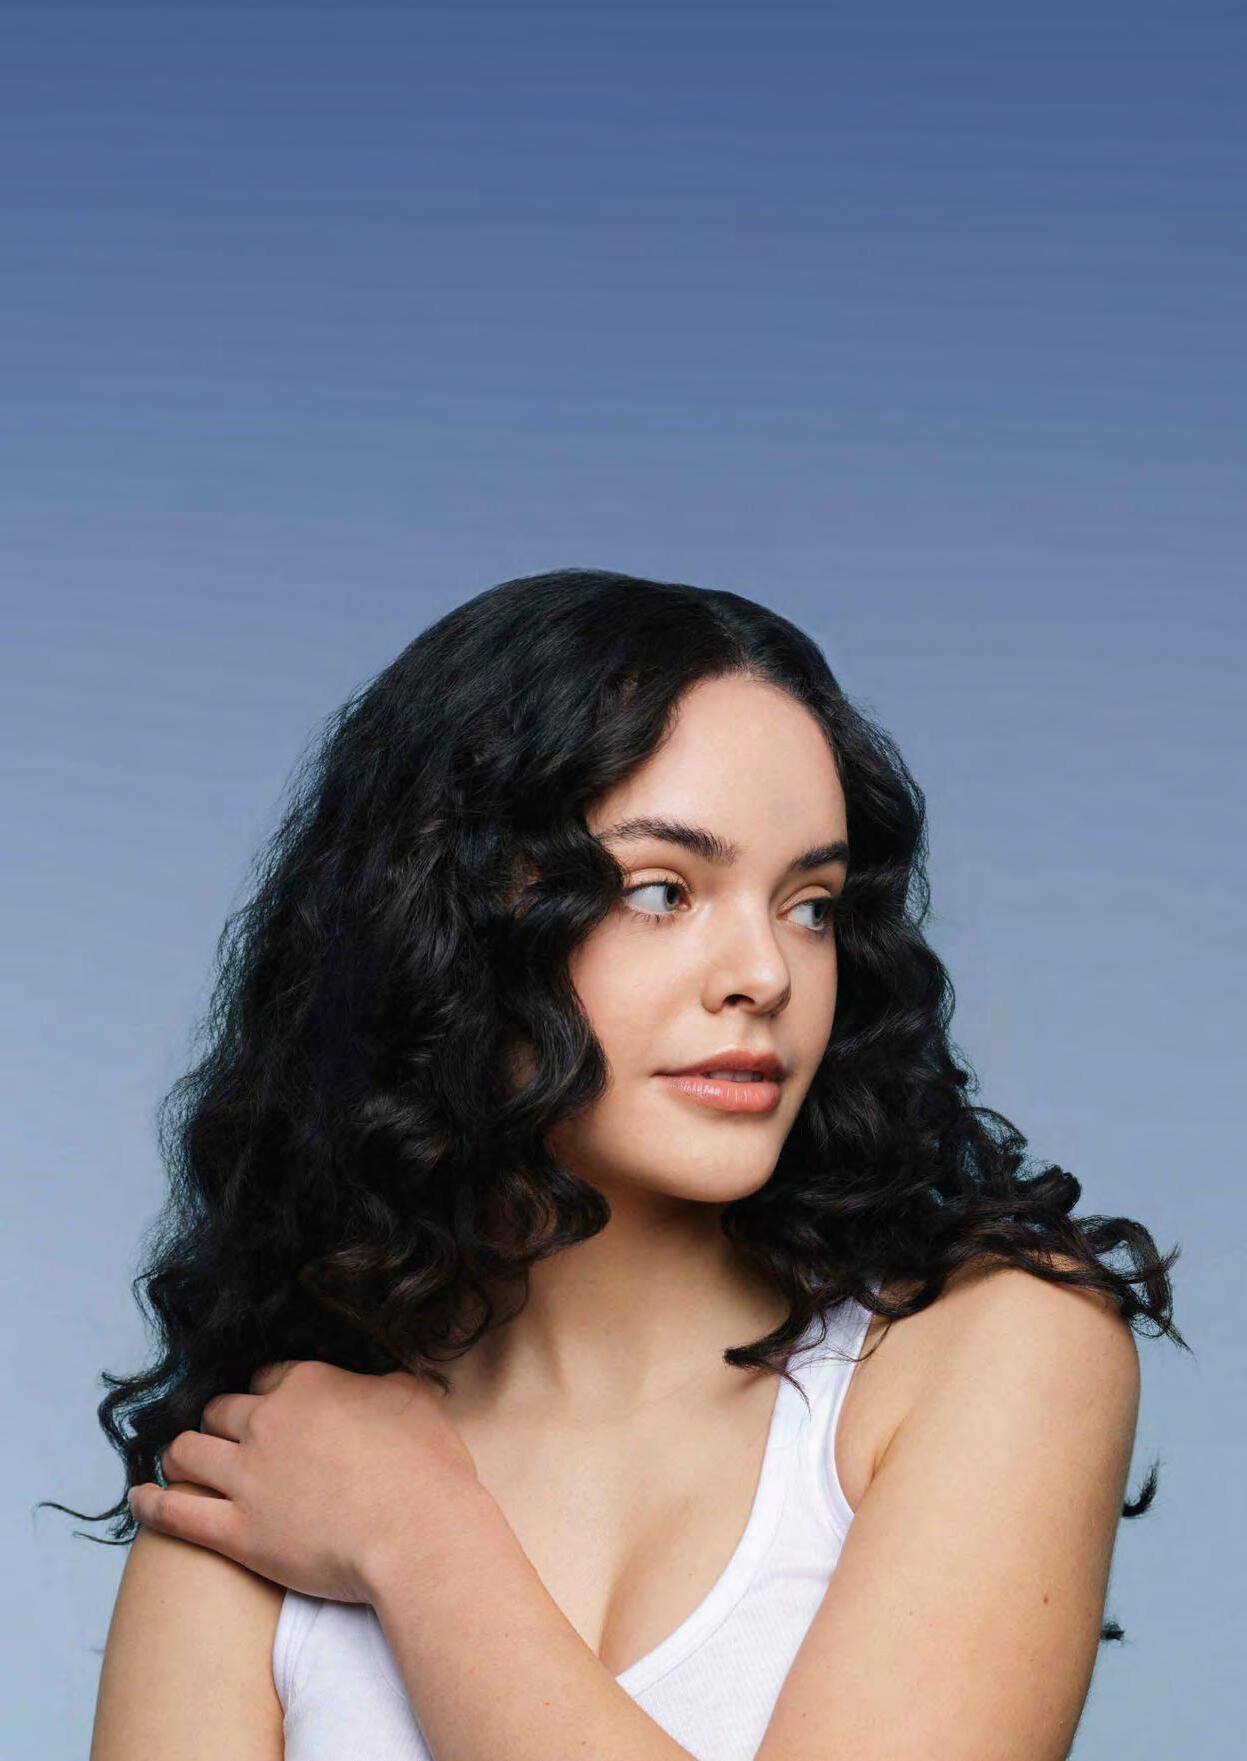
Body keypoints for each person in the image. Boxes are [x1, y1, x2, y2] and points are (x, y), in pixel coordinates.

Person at [57, 568, 1181, 1760]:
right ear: (448, 923)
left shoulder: (987, 1348)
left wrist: (417, 1539)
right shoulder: (277, 1459)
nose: (764, 974)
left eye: (809, 904)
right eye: (661, 891)